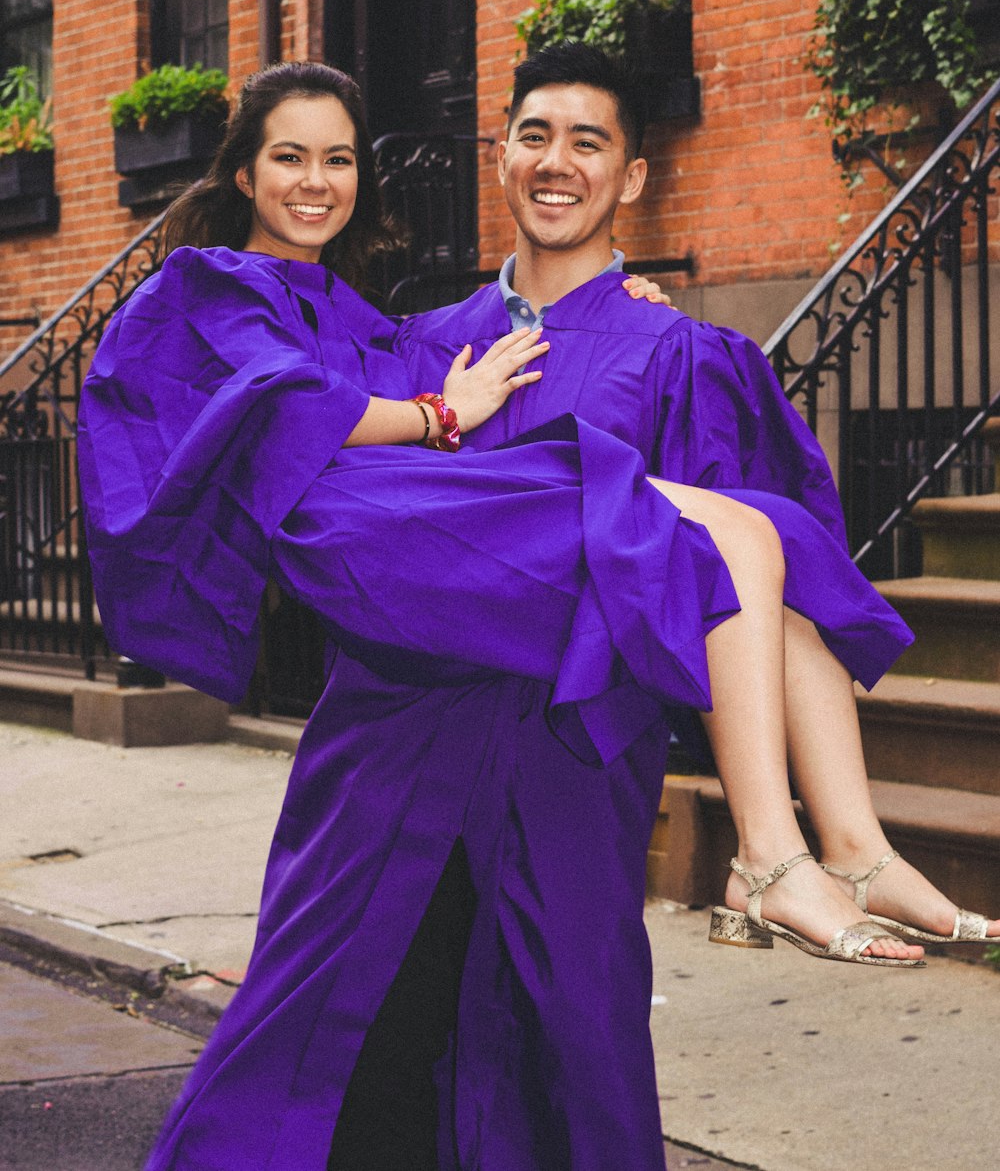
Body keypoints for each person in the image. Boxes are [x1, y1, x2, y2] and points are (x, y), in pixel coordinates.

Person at [70, 61, 965, 1171]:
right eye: (535, 134)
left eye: (589, 142)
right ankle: (793, 856)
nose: (557, 161)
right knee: (332, 1041)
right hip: (392, 748)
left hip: (566, 765)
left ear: (632, 176)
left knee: (563, 1055)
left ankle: (823, 850)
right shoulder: (413, 339)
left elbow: (750, 596)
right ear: (498, 154)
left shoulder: (683, 354)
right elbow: (297, 456)